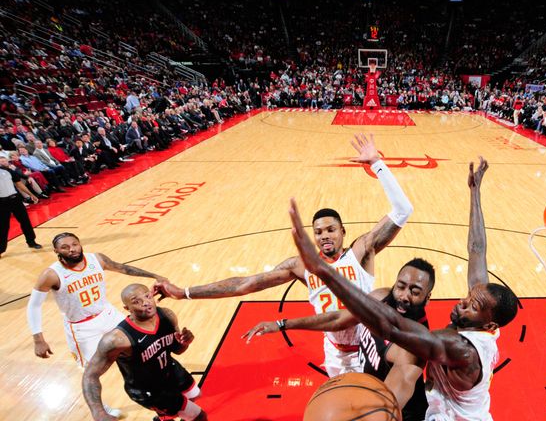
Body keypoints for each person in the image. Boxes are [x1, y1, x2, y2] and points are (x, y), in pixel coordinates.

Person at [154, 133, 413, 377]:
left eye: (331, 230)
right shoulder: (301, 266)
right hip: (336, 353)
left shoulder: (361, 250)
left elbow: (403, 210)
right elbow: (244, 284)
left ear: (343, 232)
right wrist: (183, 292)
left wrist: (377, 164)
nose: (325, 236)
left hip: (371, 348)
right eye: (319, 232)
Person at [287, 157, 519, 420]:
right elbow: (477, 249)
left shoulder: (461, 348)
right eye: (467, 298)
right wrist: (475, 192)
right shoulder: (482, 309)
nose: (461, 303)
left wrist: (325, 272)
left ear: (489, 326)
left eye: (471, 307)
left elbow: (390, 327)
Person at [243, 258, 435, 420]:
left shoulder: (412, 349)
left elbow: (387, 405)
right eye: (401, 286)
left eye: (415, 291)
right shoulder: (381, 297)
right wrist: (282, 324)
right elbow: (340, 319)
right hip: (367, 390)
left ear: (427, 298)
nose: (404, 296)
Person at [27, 233, 170, 417]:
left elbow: (123, 268)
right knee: (92, 371)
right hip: (82, 327)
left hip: (108, 314)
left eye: (75, 244)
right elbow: (34, 305)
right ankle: (101, 409)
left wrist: (153, 275)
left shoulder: (97, 259)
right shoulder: (51, 274)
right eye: (65, 247)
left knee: (140, 349)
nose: (72, 249)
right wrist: (38, 339)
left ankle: (156, 383)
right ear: (56, 251)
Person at [82, 284, 206, 421]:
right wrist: (98, 412)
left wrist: (184, 343)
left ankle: (164, 417)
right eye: (136, 301)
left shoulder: (166, 315)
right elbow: (90, 375)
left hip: (170, 369)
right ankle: (170, 413)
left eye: (147, 296)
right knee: (199, 416)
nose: (145, 303)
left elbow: (177, 350)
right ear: (127, 308)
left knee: (195, 395)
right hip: (149, 389)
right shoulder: (117, 340)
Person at [0, 155, 42, 257]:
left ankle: (31, 241)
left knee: (25, 221)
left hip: (15, 199)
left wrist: (31, 195)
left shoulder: (8, 171)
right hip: (1, 203)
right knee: (3, 226)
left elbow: (19, 184)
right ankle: (1, 249)